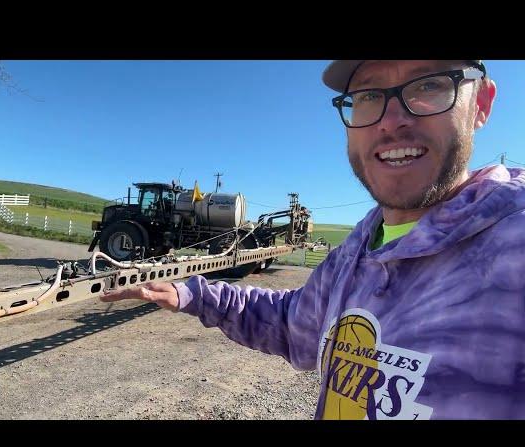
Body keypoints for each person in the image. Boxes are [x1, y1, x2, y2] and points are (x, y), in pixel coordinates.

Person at [101, 60, 525, 420]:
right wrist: (189, 294)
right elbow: (293, 322)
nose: (393, 120)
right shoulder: (356, 252)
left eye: (430, 85)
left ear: (481, 104)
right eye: (369, 95)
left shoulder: (513, 247)